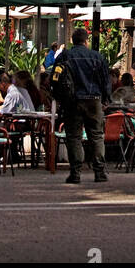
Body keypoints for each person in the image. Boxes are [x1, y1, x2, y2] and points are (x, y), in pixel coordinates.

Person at [52, 28, 111, 184]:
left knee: (74, 137)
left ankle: (75, 172)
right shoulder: (97, 57)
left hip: (72, 101)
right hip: (94, 100)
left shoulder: (65, 56)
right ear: (86, 41)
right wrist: (106, 99)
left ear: (72, 40)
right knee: (97, 135)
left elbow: (55, 78)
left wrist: (59, 98)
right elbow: (106, 81)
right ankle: (99, 171)